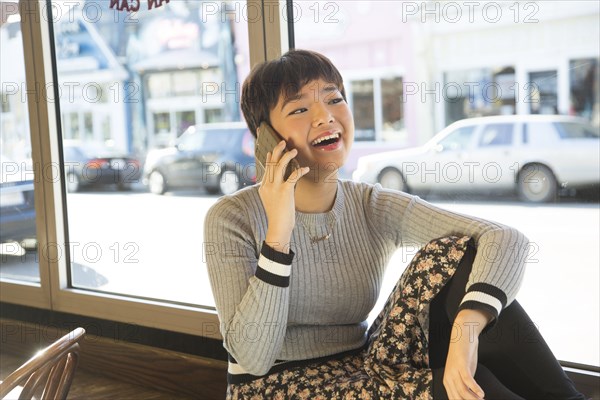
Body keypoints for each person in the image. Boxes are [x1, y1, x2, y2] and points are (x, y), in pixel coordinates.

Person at [204, 49, 585, 399]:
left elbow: (503, 238)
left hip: (361, 365)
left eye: (335, 99)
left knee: (455, 251)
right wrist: (279, 234)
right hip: (273, 386)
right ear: (265, 137)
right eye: (300, 110)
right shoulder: (232, 218)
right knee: (479, 387)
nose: (325, 116)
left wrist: (466, 331)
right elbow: (253, 358)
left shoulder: (370, 203)